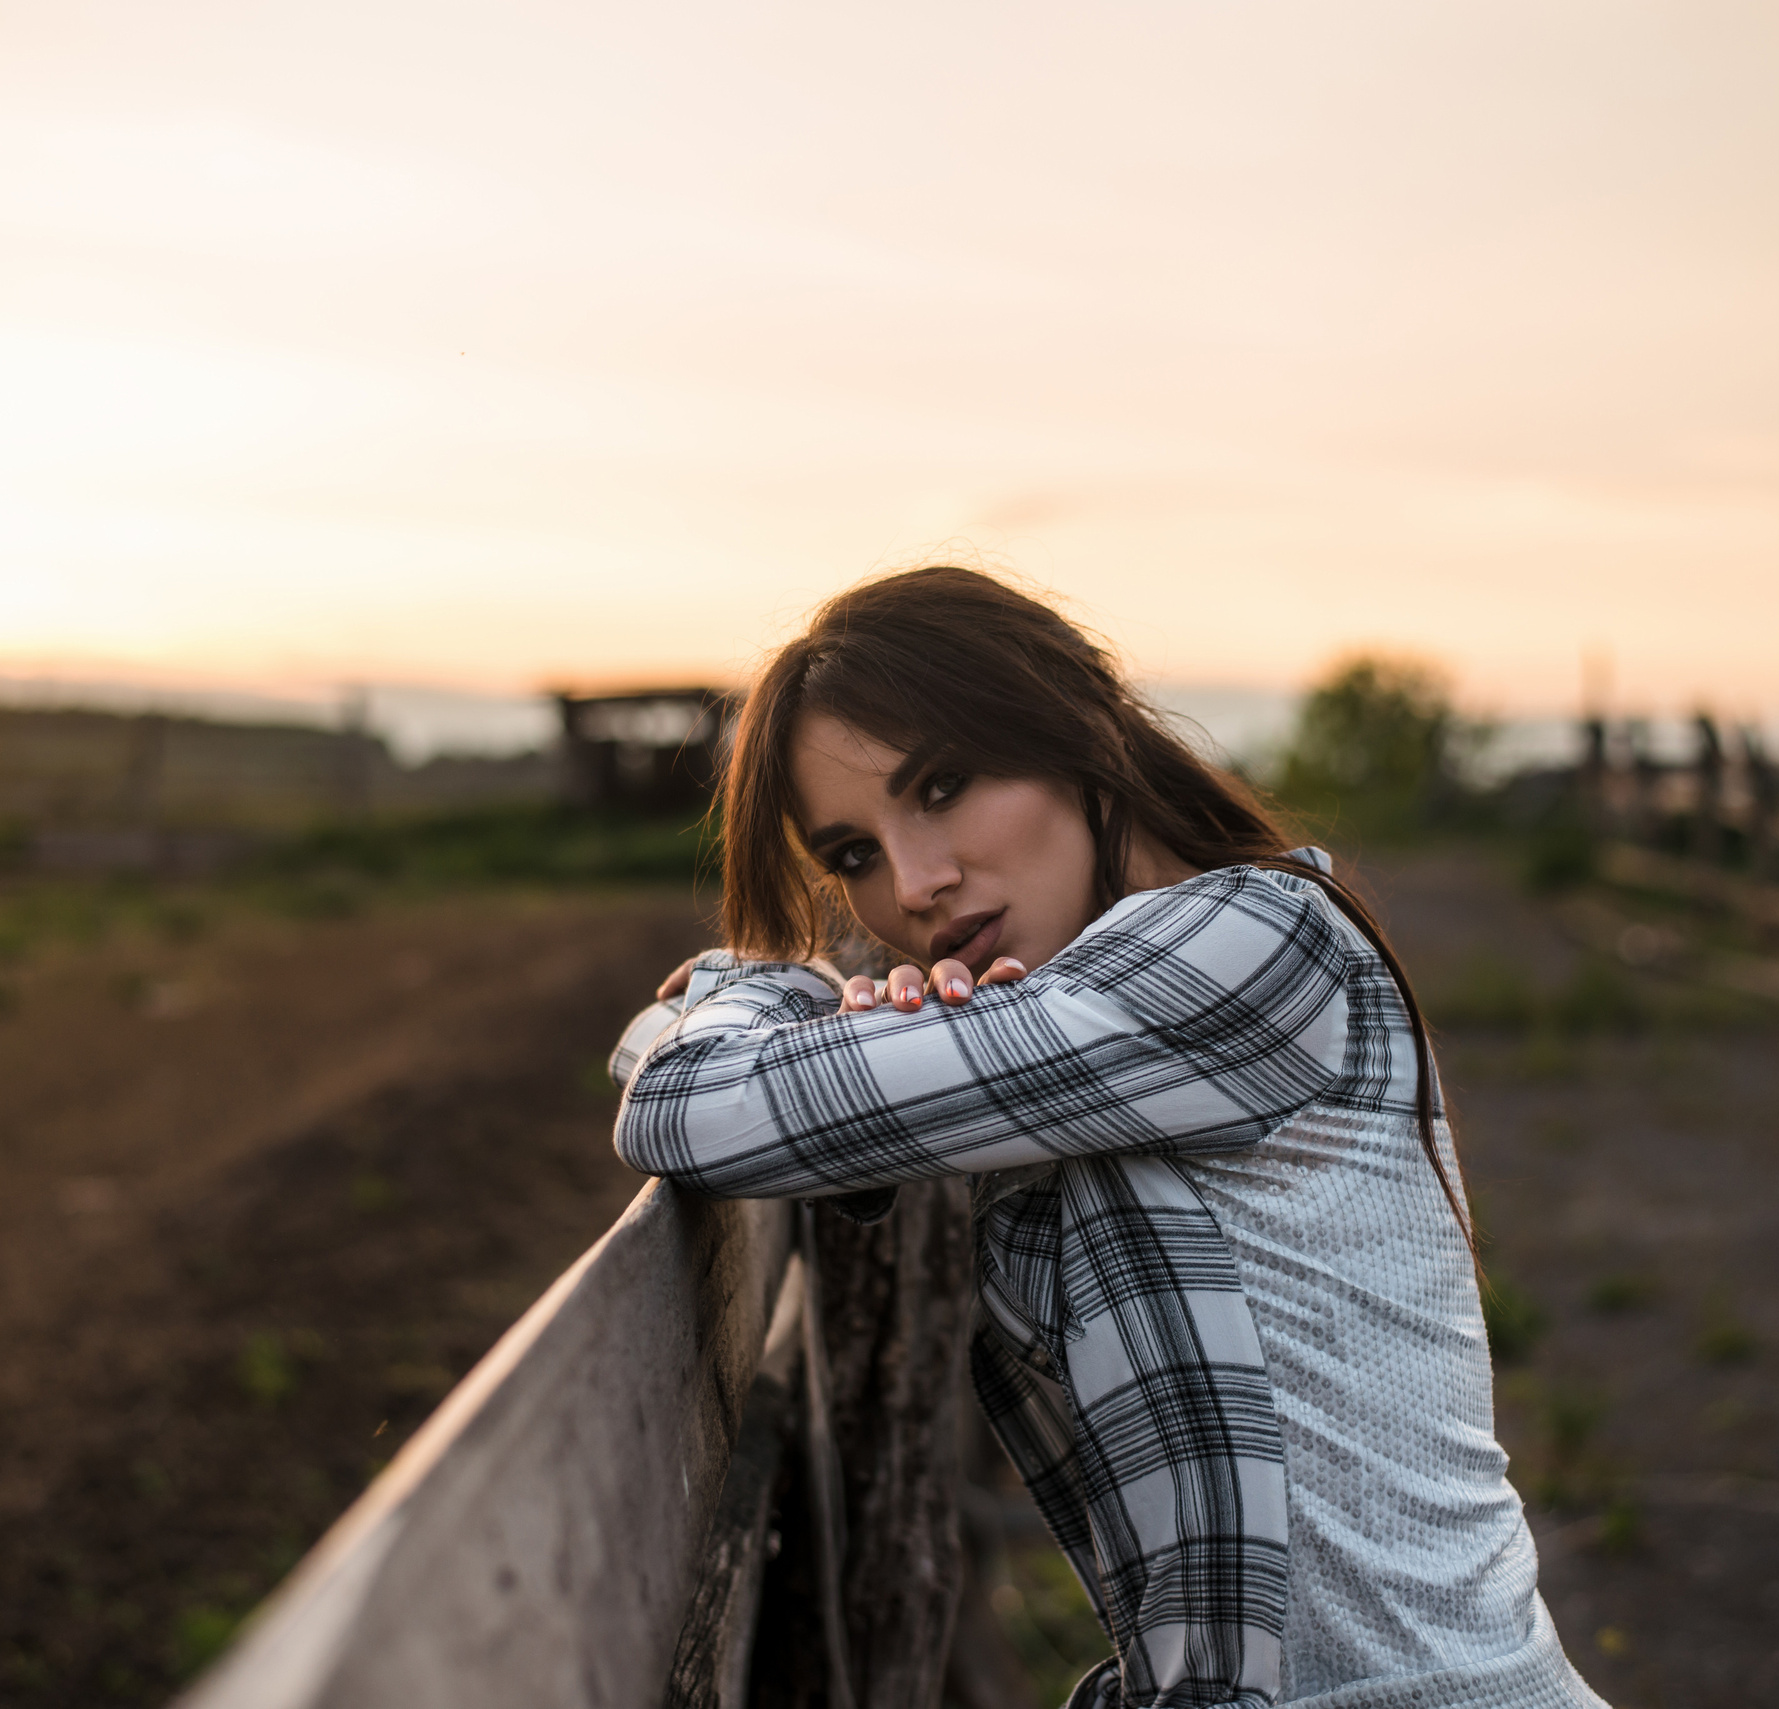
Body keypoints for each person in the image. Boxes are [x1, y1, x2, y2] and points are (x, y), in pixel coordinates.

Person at [609, 566, 1605, 1709]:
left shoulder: (1254, 945)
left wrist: (763, 988)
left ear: (1076, 725)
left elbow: (684, 1101)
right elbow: (708, 1093)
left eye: (943, 785)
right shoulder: (1078, 1019)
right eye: (852, 855)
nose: (914, 885)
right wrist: (820, 1031)